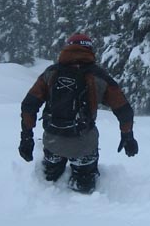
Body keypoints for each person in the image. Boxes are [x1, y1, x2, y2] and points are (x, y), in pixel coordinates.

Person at [19, 33, 138, 194]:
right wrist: (127, 136)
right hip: (84, 145)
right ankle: (82, 198)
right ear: (89, 50)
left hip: (53, 142)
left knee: (48, 184)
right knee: (84, 189)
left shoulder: (51, 73)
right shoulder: (98, 76)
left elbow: (29, 105)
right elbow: (124, 109)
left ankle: (49, 194)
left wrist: (26, 137)